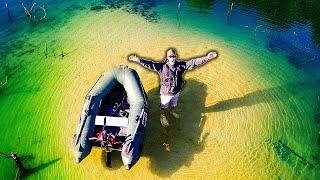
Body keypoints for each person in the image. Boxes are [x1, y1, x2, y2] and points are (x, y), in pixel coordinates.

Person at [128, 48, 218, 128]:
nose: (173, 58)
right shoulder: (162, 67)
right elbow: (150, 64)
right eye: (171, 56)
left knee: (174, 104)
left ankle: (172, 111)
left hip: (176, 92)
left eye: (174, 56)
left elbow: (193, 62)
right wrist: (138, 60)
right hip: (165, 94)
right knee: (164, 106)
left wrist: (207, 57)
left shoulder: (181, 66)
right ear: (167, 58)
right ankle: (162, 116)